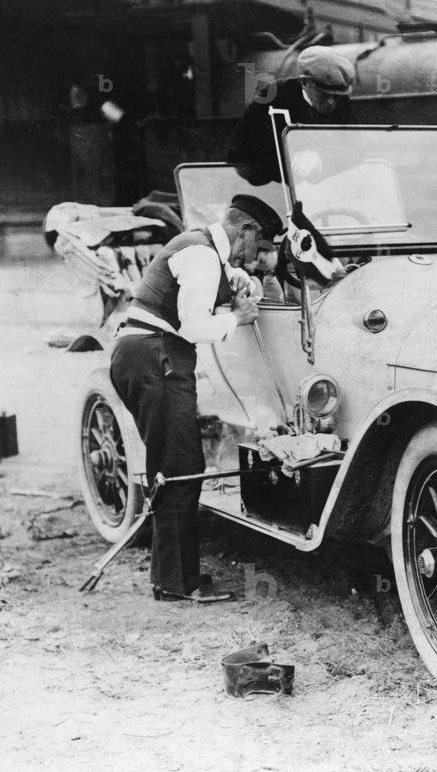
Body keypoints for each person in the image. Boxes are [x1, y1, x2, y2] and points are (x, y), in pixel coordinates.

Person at [110, 195, 283, 603]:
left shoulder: (204, 249)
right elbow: (193, 326)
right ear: (246, 231)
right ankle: (175, 583)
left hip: (147, 355)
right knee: (180, 467)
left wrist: (242, 282)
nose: (253, 260)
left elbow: (223, 286)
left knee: (173, 464)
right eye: (257, 250)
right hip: (157, 356)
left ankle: (175, 577)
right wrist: (236, 318)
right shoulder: (203, 255)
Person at [227, 46, 356, 186]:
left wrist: (321, 159)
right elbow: (239, 155)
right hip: (277, 192)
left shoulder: (340, 102)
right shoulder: (272, 97)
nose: (331, 102)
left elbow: (355, 146)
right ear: (304, 82)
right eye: (324, 94)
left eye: (336, 97)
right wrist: (289, 161)